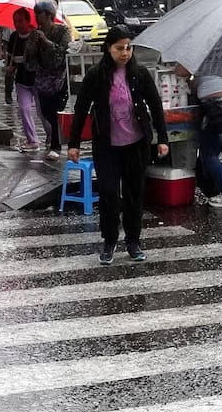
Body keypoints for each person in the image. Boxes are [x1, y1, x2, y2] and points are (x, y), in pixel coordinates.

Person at [67, 27, 169, 265]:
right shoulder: (96, 75)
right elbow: (81, 109)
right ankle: (110, 239)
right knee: (109, 193)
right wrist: (73, 144)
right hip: (107, 145)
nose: (125, 53)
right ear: (108, 49)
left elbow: (155, 106)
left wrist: (162, 139)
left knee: (134, 194)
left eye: (128, 48)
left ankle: (133, 240)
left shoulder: (139, 74)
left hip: (136, 144)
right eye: (119, 48)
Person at [174, 65, 222, 207]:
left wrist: (182, 71)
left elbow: (180, 71)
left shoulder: (200, 51)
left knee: (209, 154)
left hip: (218, 108)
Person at [28, 0, 72, 159]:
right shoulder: (36, 33)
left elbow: (63, 52)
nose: (37, 18)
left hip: (59, 78)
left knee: (55, 112)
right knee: (45, 111)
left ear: (48, 15)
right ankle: (54, 140)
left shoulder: (62, 32)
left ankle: (56, 145)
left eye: (39, 14)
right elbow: (29, 59)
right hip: (42, 79)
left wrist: (46, 42)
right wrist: (33, 43)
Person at [6, 8, 40, 152]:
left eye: (20, 21)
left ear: (28, 20)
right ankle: (32, 140)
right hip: (22, 80)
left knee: (42, 111)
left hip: (38, 79)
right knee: (24, 109)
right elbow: (10, 57)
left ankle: (52, 137)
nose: (18, 24)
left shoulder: (37, 36)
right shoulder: (14, 38)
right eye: (15, 21)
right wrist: (11, 66)